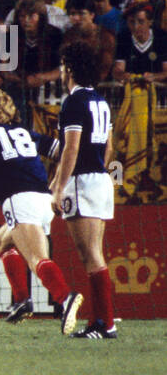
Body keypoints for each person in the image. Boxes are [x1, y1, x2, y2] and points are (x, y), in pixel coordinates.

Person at [0, 90, 83, 333]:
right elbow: (65, 151)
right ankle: (22, 301)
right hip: (44, 200)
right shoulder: (27, 134)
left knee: (36, 259)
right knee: (1, 242)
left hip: (20, 200)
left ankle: (66, 298)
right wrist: (57, 183)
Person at [51, 41, 118, 339]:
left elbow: (71, 147)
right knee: (95, 253)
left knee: (90, 254)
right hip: (101, 180)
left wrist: (58, 187)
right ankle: (101, 322)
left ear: (69, 67)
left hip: (84, 182)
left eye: (64, 64)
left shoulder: (73, 102)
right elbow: (110, 148)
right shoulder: (100, 101)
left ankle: (105, 324)